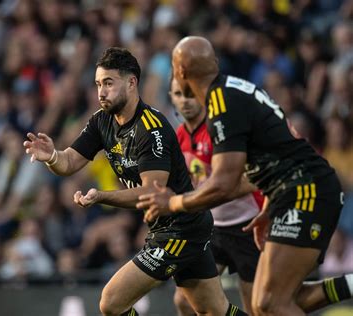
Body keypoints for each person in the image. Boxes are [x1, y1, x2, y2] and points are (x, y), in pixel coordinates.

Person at [136, 36, 353, 316]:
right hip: (291, 192)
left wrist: (174, 204)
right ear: (214, 63)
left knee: (270, 304)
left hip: (304, 191)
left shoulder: (222, 103)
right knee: (271, 303)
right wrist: (268, 206)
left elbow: (225, 183)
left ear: (180, 73)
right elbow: (276, 150)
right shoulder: (233, 91)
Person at [23, 47, 246, 316]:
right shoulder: (101, 121)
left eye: (108, 83)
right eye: (97, 84)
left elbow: (152, 192)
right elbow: (69, 161)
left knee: (111, 302)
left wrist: (102, 196)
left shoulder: (151, 129)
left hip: (180, 229)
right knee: (215, 312)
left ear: (131, 83)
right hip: (174, 226)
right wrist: (52, 156)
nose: (101, 92)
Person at [169, 76, 261, 315]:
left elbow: (255, 177)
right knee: (184, 300)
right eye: (178, 95)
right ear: (171, 98)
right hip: (211, 228)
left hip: (247, 226)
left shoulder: (221, 130)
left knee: (255, 307)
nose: (185, 101)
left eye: (190, 94)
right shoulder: (179, 136)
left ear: (201, 96)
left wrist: (217, 192)